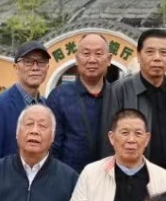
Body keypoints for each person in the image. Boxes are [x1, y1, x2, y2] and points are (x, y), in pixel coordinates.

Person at [100, 29, 166, 176]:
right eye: (150, 52)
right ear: (138, 56)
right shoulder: (119, 90)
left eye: (163, 52)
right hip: (131, 178)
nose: (157, 58)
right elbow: (108, 141)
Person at [48, 32, 120, 171]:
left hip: (111, 177)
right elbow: (52, 147)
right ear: (76, 59)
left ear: (109, 59)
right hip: (71, 178)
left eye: (98, 54)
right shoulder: (60, 96)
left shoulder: (118, 95)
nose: (92, 60)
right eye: (86, 54)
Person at [0, 41, 51, 168]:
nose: (35, 67)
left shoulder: (48, 107)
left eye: (41, 62)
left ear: (47, 67)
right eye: (28, 62)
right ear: (16, 67)